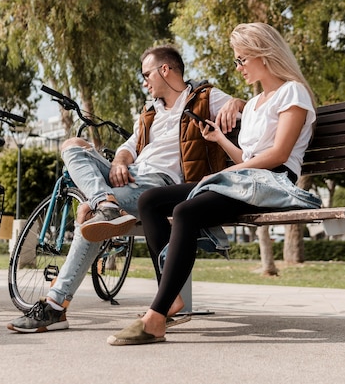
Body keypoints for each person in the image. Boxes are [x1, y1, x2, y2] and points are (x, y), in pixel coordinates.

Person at [106, 22, 322, 346]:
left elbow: (278, 154)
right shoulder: (254, 102)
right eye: (237, 60)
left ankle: (156, 317)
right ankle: (171, 295)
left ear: (264, 54)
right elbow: (246, 157)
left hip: (274, 182)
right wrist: (219, 139)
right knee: (149, 200)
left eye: (242, 59)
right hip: (246, 180)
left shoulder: (293, 92)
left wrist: (219, 176)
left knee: (186, 212)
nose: (239, 67)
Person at [7, 44, 245, 333]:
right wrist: (119, 162)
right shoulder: (149, 112)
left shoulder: (205, 98)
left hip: (162, 186)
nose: (144, 82)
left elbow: (246, 107)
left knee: (90, 215)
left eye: (147, 74)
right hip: (131, 177)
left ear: (165, 70)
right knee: (73, 146)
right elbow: (128, 147)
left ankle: (56, 305)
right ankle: (104, 201)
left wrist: (237, 102)